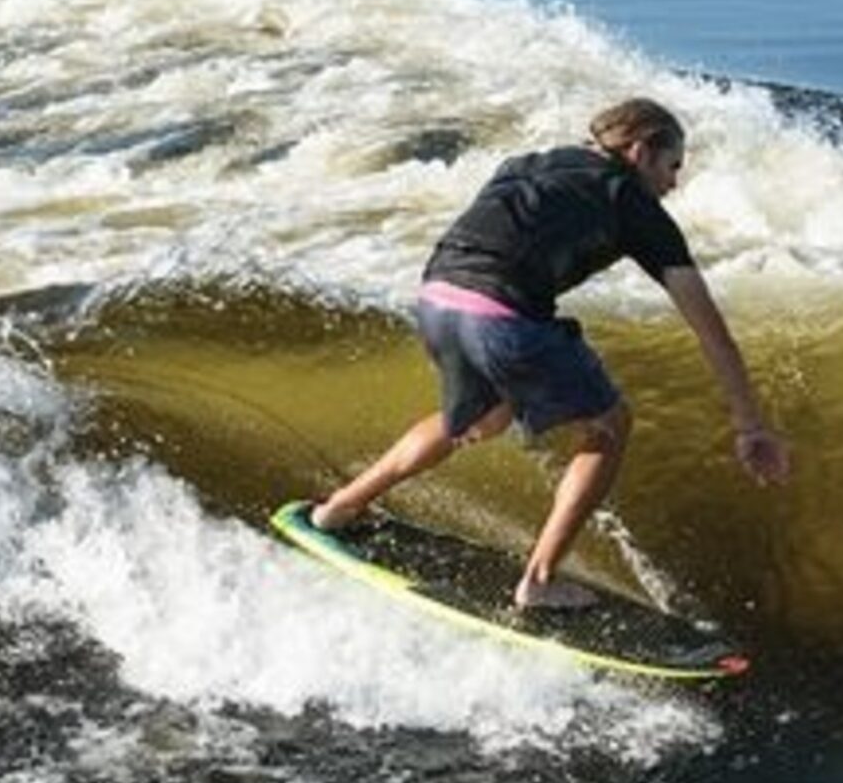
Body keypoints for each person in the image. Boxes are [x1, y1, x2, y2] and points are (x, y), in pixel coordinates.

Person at [312, 98, 791, 609]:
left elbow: (493, 236)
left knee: (483, 419)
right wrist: (750, 426)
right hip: (502, 317)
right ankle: (539, 580)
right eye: (672, 166)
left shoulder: (524, 164)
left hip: (435, 299)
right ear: (640, 150)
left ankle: (340, 508)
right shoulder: (632, 202)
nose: (673, 183)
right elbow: (712, 332)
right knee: (609, 425)